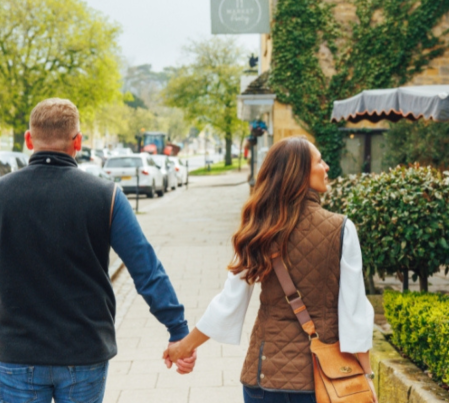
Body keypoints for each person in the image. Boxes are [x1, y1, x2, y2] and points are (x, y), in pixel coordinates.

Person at [0, 98, 195, 403]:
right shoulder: (106, 197)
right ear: (77, 142)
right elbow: (146, 269)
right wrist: (178, 330)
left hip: (15, 352)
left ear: (28, 140)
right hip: (84, 350)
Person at [164, 136, 378, 403]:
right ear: (299, 173)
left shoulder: (259, 229)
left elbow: (228, 305)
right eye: (319, 161)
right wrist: (366, 378)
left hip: (263, 379)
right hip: (324, 381)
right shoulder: (341, 229)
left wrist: (183, 347)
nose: (327, 167)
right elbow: (354, 313)